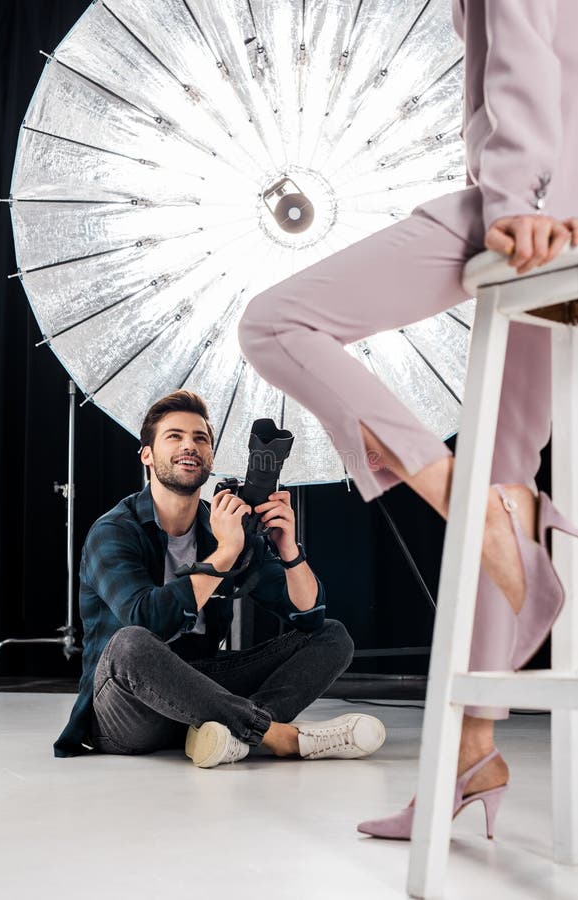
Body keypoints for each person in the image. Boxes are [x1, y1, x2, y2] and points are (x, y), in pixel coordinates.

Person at [237, 0, 578, 835]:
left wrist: (518, 194)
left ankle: (489, 532)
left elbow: (526, 53)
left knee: (275, 323)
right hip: (548, 202)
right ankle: (472, 753)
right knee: (505, 471)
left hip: (540, 210)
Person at [54, 390, 386, 767]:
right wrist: (225, 554)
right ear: (147, 454)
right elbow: (147, 621)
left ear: (211, 457)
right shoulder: (114, 531)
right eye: (174, 436)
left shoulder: (223, 528)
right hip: (128, 707)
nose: (189, 446)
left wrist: (290, 550)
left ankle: (226, 735)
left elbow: (307, 617)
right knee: (130, 643)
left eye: (200, 438)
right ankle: (275, 735)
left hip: (202, 691)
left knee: (333, 636)